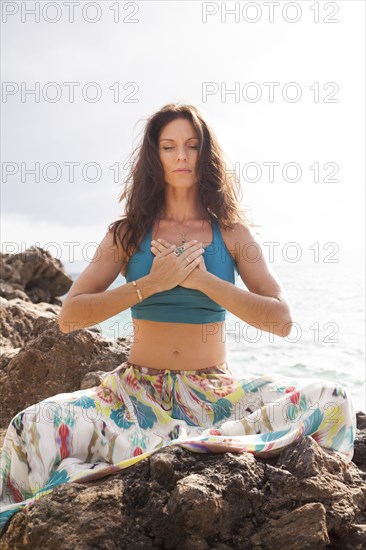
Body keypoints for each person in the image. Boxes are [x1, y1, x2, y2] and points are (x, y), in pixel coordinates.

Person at [0, 103, 357, 532]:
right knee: (29, 426)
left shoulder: (232, 233)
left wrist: (205, 281)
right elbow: (70, 317)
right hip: (134, 392)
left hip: (214, 393)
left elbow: (281, 320)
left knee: (334, 400)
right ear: (156, 156)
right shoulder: (127, 233)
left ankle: (190, 442)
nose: (182, 156)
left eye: (192, 145)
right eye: (169, 147)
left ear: (206, 154)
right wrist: (150, 284)